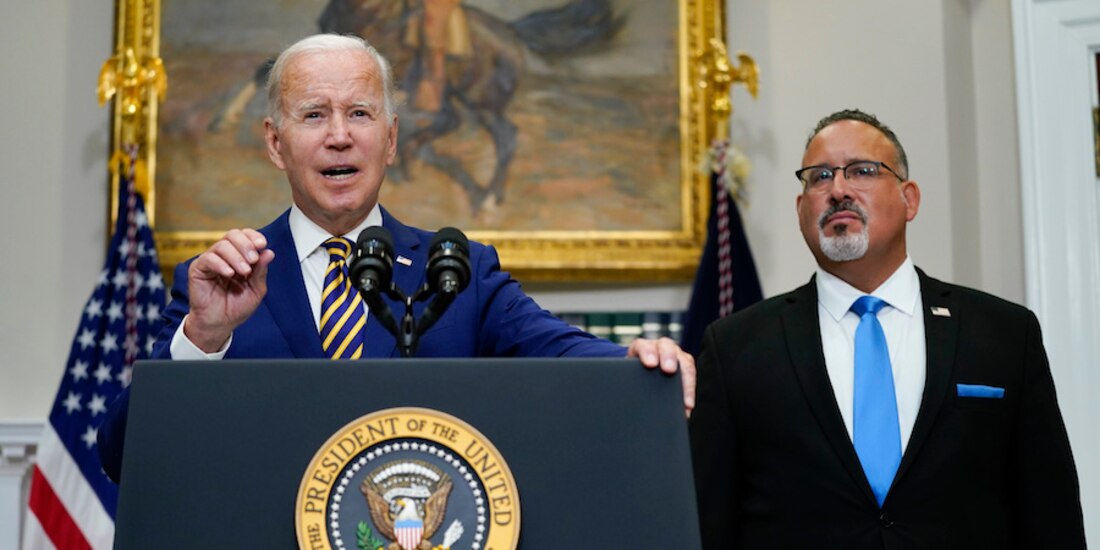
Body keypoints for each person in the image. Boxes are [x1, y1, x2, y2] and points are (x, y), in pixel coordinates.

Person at [98, 33, 694, 482]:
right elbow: (124, 456)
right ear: (276, 144)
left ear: (391, 137)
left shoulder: (459, 270)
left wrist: (635, 359)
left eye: (360, 113)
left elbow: (563, 352)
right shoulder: (221, 281)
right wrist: (202, 338)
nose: (339, 135)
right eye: (314, 114)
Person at [688, 109, 1085, 548]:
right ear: (802, 211)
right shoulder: (735, 348)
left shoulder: (1004, 333)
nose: (837, 190)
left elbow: (1051, 515)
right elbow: (706, 524)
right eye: (819, 177)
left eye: (862, 171)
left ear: (909, 199)